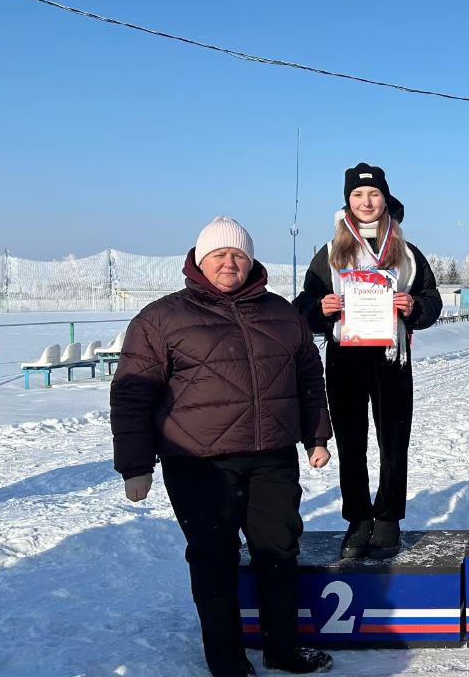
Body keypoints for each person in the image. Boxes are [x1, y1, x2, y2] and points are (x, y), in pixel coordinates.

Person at [112, 216, 334, 676]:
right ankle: (226, 659)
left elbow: (309, 377)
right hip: (197, 464)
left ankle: (283, 648)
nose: (229, 262)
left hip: (272, 457)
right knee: (214, 558)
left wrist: (317, 435)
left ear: (251, 261)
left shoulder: (281, 312)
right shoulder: (161, 317)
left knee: (279, 551)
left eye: (238, 255)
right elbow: (133, 394)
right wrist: (135, 465)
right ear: (198, 259)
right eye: (219, 254)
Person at [293, 163, 442, 559]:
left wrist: (413, 306)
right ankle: (358, 519)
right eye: (357, 196)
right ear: (347, 203)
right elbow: (303, 305)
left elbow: (433, 301)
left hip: (393, 357)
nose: (366, 202)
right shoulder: (329, 253)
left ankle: (389, 518)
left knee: (394, 440)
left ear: (386, 200)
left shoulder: (407, 253)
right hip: (346, 357)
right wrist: (321, 308)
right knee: (352, 441)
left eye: (373, 194)